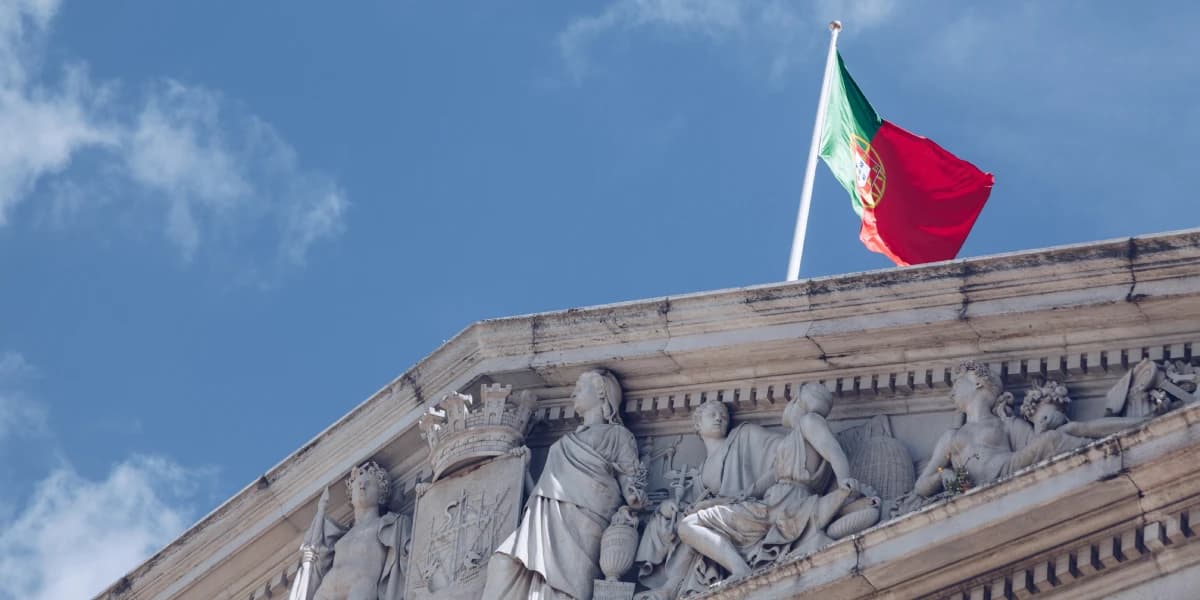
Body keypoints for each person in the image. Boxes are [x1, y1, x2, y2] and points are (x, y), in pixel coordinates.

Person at [482, 369, 645, 600]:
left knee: (562, 588)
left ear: (601, 392)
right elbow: (541, 496)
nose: (573, 394)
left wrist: (634, 497)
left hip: (586, 518)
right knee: (502, 563)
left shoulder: (618, 435)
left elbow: (631, 478)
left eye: (580, 387)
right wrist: (524, 470)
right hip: (545, 520)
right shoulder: (564, 442)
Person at [303, 461, 410, 600]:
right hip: (325, 591)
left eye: (368, 483)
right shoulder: (339, 536)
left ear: (381, 494)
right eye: (358, 484)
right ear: (350, 494)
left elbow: (410, 549)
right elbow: (317, 559)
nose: (362, 486)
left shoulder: (390, 524)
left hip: (360, 588)